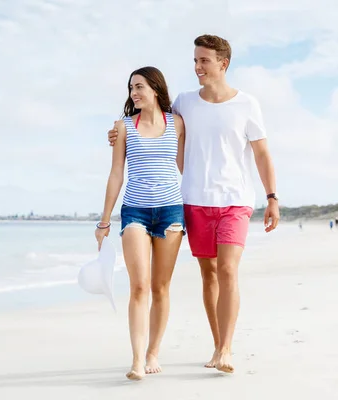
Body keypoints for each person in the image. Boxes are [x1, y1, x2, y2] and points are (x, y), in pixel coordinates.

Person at [107, 34, 280, 374]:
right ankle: (217, 345)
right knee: (209, 274)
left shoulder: (247, 104)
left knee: (228, 269)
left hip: (235, 200)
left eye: (204, 60)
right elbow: (152, 122)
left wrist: (272, 197)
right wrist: (118, 133)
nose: (197, 67)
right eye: (195, 61)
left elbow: (261, 153)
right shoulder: (184, 103)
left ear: (222, 64)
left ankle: (227, 349)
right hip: (194, 200)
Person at [95, 66, 186, 381]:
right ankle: (136, 360)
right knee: (139, 286)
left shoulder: (178, 124)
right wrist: (104, 221)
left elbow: (187, 166)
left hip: (172, 212)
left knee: (161, 287)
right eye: (131, 88)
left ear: (156, 89)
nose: (133, 93)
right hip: (135, 212)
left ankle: (153, 352)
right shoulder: (122, 127)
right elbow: (116, 173)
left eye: (139, 86)